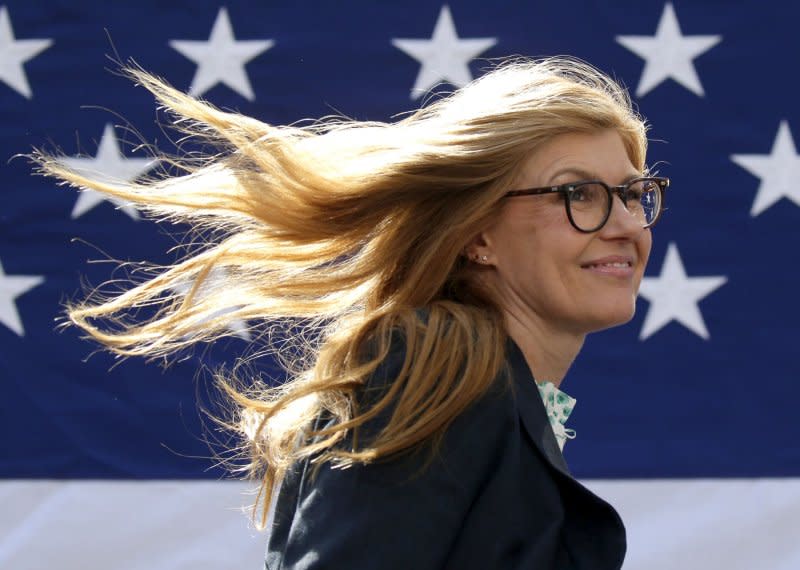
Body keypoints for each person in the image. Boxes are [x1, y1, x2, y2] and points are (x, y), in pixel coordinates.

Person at [33, 56, 668, 569]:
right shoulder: (434, 366)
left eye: (635, 194)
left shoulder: (487, 384)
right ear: (478, 234)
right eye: (577, 194)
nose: (625, 225)